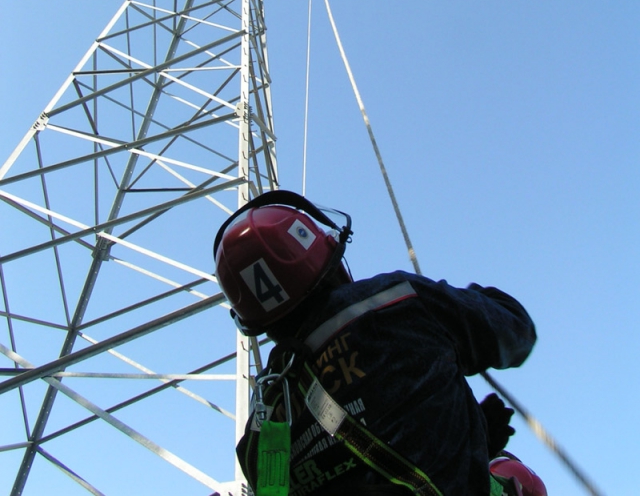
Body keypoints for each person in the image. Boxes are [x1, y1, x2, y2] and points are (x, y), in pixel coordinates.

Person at [214, 190, 539, 496]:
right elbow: (515, 331)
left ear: (256, 321)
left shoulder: (262, 421)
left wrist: (472, 430)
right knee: (519, 479)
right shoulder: (395, 302)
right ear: (328, 256)